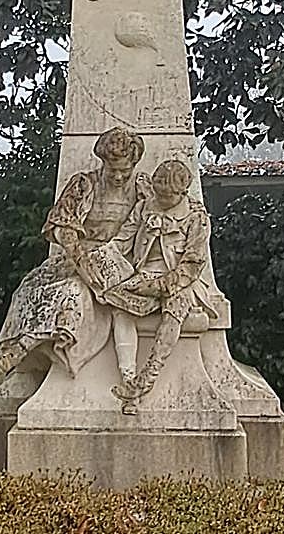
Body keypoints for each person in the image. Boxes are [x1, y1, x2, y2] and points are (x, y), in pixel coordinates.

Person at [0, 127, 149, 394]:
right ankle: (8, 353)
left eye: (125, 170)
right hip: (77, 257)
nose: (119, 176)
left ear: (133, 164)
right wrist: (80, 258)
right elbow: (62, 226)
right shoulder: (84, 184)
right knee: (29, 288)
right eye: (113, 169)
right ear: (103, 162)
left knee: (71, 293)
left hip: (114, 265)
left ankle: (11, 357)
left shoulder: (142, 188)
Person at [96, 159, 217, 414]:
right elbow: (122, 240)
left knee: (175, 310)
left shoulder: (197, 218)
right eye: (158, 193)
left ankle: (148, 376)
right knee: (119, 306)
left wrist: (159, 286)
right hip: (143, 275)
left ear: (182, 192)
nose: (161, 200)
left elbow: (192, 265)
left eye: (167, 196)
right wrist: (103, 258)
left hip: (181, 282)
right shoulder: (144, 207)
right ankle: (128, 379)